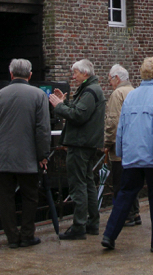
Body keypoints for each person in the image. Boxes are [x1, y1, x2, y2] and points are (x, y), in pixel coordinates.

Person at [101, 57, 153, 253]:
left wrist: (121, 152)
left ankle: (109, 234)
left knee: (125, 195)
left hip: (132, 156)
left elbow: (121, 128)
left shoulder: (131, 96)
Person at [0, 58, 50, 249]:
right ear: (30, 75)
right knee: (30, 197)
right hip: (27, 159)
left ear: (11, 74)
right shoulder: (38, 96)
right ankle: (27, 235)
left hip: (2, 159)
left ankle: (12, 237)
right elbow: (42, 129)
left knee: (6, 199)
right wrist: (43, 155)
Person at [49, 59, 106, 240]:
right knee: (88, 183)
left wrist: (59, 106)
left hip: (80, 145)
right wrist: (64, 103)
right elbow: (79, 111)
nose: (73, 77)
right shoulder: (91, 90)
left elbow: (78, 115)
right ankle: (91, 222)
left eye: (75, 73)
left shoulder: (89, 91)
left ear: (85, 74)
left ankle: (79, 225)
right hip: (87, 144)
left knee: (78, 185)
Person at [104, 64, 140, 226]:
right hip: (135, 147)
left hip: (120, 148)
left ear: (117, 78)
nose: (109, 83)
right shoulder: (135, 92)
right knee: (132, 183)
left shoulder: (117, 94)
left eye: (110, 79)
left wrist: (106, 143)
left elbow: (113, 122)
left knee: (119, 184)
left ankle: (126, 215)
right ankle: (135, 213)